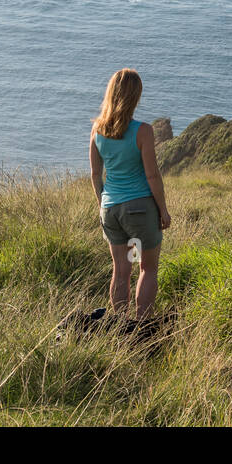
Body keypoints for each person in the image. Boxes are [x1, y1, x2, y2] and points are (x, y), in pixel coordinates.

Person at [89, 68, 170, 321]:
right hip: (140, 209)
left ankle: (119, 327)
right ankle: (142, 327)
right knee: (147, 268)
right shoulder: (143, 131)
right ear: (135, 97)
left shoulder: (97, 131)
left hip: (110, 209)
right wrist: (163, 210)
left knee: (121, 271)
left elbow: (95, 175)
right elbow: (152, 176)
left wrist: (103, 206)